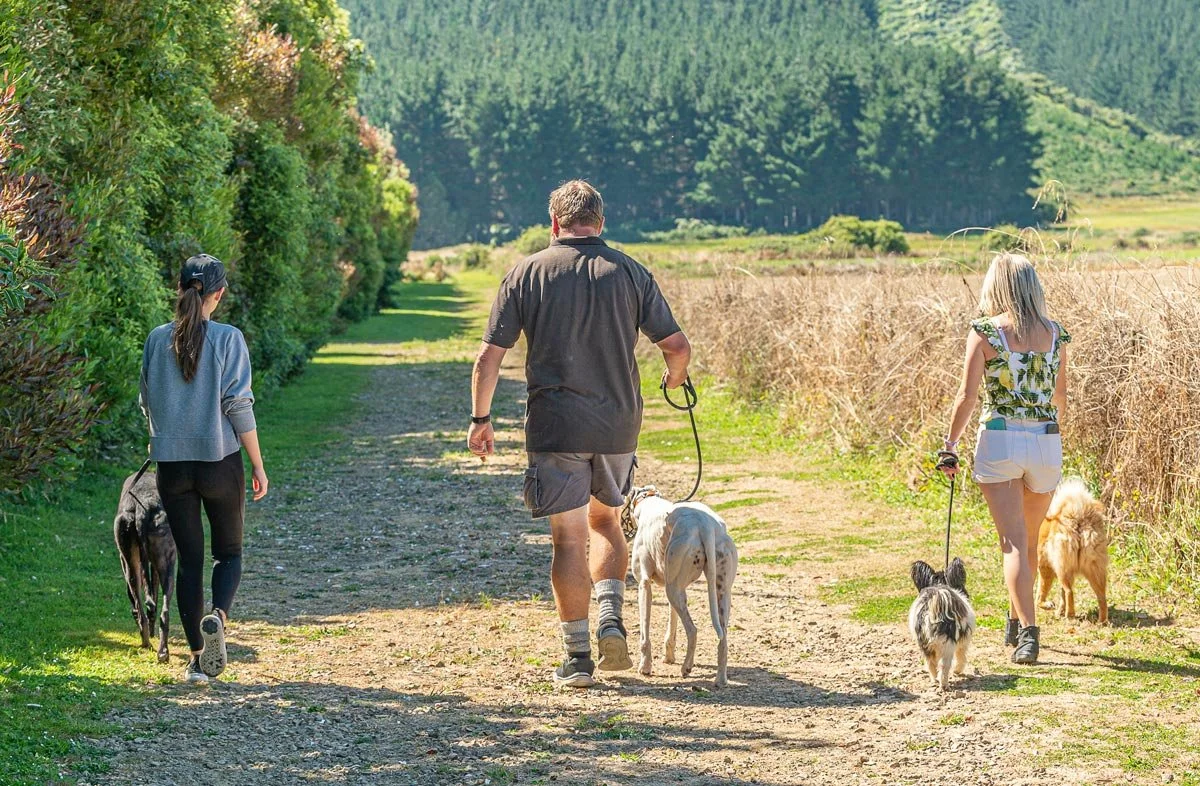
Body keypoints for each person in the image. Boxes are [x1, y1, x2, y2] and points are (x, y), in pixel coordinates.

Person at [468, 180, 691, 688]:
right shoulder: (631, 272)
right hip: (617, 424)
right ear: (601, 222)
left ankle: (577, 657)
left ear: (554, 223)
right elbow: (676, 347)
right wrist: (674, 379)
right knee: (607, 524)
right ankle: (613, 619)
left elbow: (489, 358)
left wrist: (481, 420)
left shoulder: (526, 273)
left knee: (568, 538)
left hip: (555, 425)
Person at [140, 254, 269, 684]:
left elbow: (147, 402)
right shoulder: (229, 339)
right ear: (219, 293)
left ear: (179, 289)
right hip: (220, 463)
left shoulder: (156, 340)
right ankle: (218, 617)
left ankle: (197, 660)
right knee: (228, 553)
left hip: (172, 468)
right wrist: (257, 463)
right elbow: (238, 405)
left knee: (190, 562)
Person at [938, 253, 1068, 664]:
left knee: (1012, 543)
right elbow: (1061, 399)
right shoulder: (1056, 334)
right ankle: (1014, 621)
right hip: (1047, 441)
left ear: (996, 285)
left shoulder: (985, 333)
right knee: (1028, 543)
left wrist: (950, 445)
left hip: (1000, 440)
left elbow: (967, 397)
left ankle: (1028, 632)